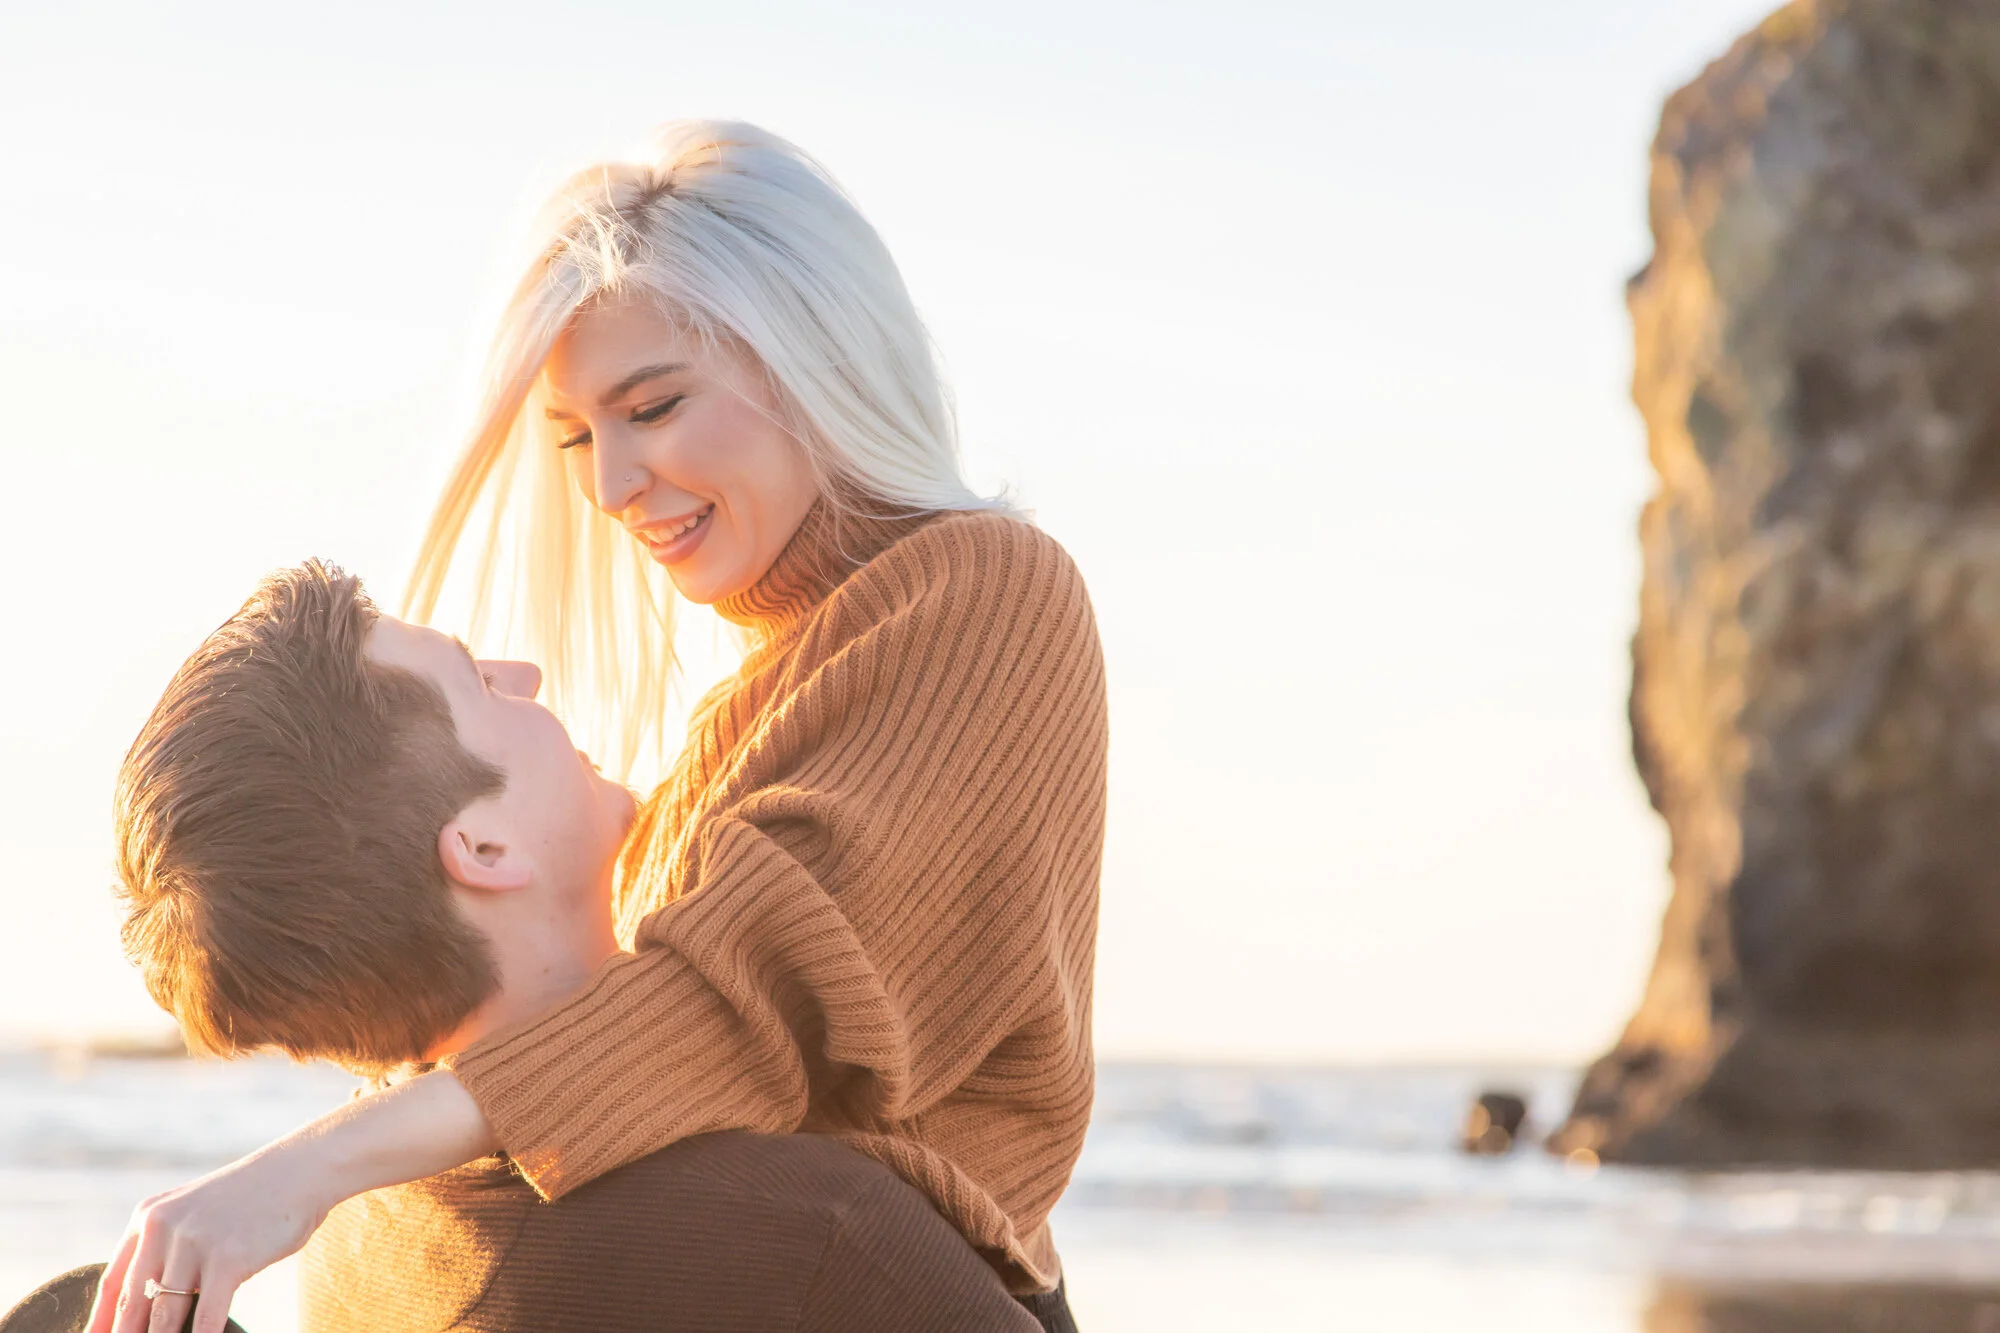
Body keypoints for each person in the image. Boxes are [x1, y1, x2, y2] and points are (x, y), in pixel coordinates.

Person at [89, 119, 1106, 1333]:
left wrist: (315, 1168)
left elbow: (738, 1007)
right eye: (577, 437)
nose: (613, 485)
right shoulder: (745, 686)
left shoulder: (983, 595)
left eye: (653, 406)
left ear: (816, 357)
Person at [90, 559, 1038, 1332]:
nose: (528, 676)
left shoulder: (352, 1244)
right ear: (486, 847)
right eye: (480, 683)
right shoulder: (816, 1230)